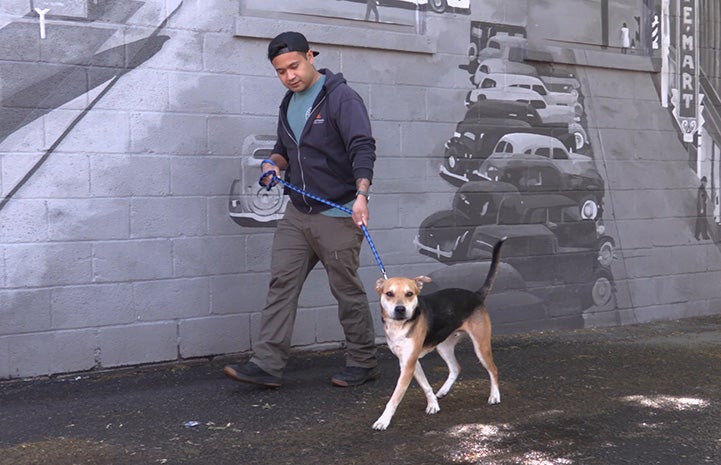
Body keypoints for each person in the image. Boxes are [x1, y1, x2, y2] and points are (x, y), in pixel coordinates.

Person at [224, 31, 379, 388]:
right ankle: (266, 364)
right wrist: (272, 164)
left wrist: (361, 194)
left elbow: (362, 147)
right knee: (281, 284)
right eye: (281, 71)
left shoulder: (341, 98)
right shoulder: (287, 103)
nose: (289, 76)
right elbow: (283, 148)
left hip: (337, 211)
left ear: (310, 56)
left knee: (346, 290)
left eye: (294, 66)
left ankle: (363, 361)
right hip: (297, 214)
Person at [695, 176, 711, 240]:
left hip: (702, 207)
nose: (705, 183)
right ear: (702, 182)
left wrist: (706, 199)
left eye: (706, 182)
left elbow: (704, 197)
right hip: (701, 208)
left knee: (699, 221)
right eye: (704, 182)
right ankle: (704, 236)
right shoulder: (701, 189)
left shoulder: (702, 188)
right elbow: (701, 199)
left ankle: (696, 235)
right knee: (703, 221)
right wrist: (702, 208)